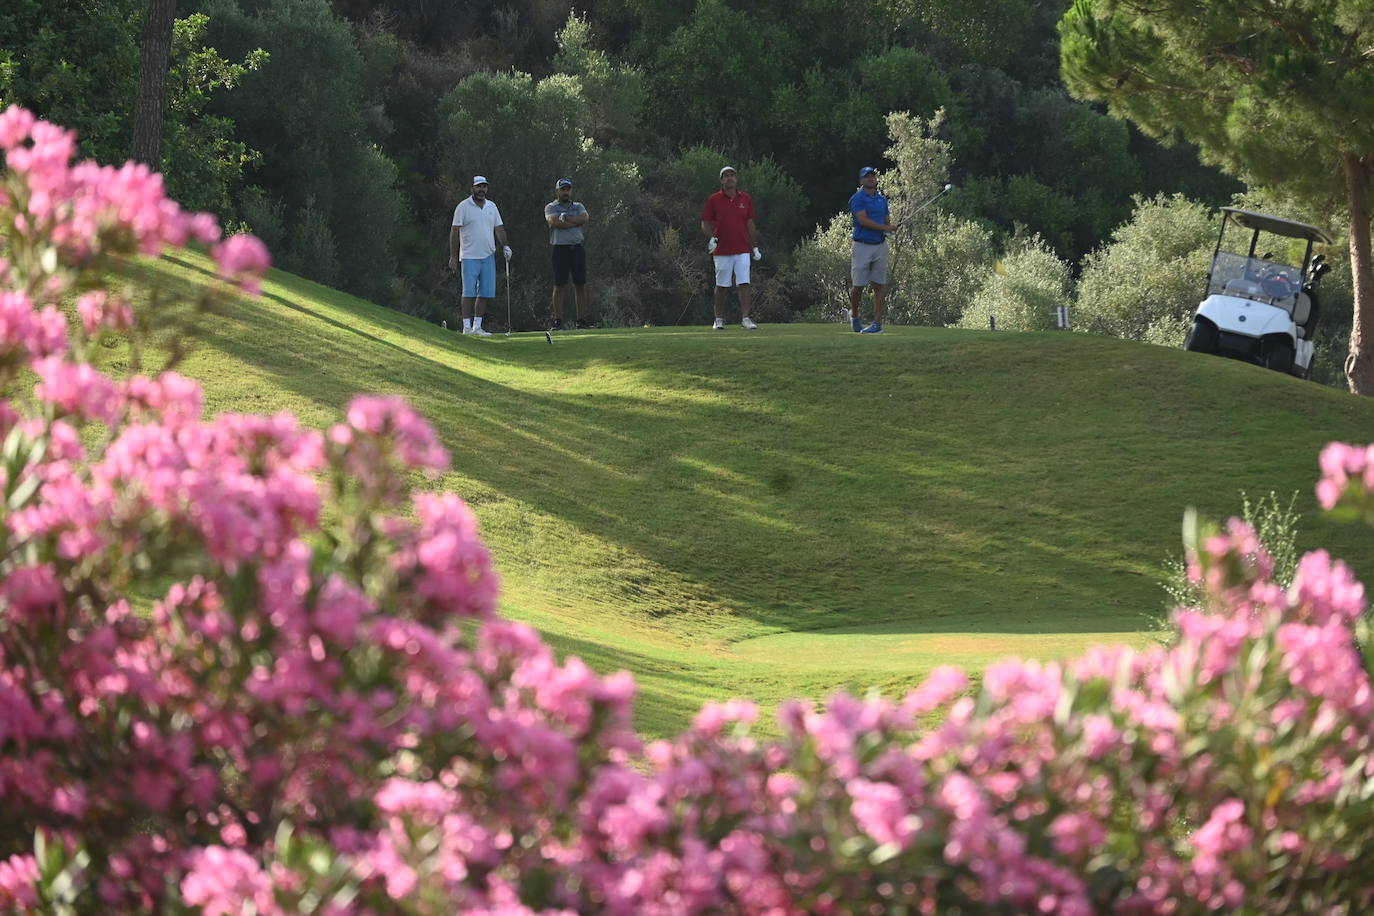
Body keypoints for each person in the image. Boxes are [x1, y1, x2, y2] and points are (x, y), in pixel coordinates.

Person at [447, 175, 511, 338]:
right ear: (472, 189)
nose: (481, 189)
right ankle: (466, 327)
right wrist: (453, 256)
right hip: (469, 256)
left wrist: (505, 246)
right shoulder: (463, 207)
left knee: (485, 293)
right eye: (478, 187)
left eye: (484, 187)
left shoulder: (491, 206)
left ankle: (477, 326)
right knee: (468, 292)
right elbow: (454, 232)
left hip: (488, 255)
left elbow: (499, 228)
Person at [700, 166, 761, 330]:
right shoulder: (714, 199)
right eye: (726, 176)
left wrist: (754, 247)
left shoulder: (745, 199)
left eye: (732, 175)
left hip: (742, 249)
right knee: (722, 286)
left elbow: (750, 223)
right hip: (722, 250)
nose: (729, 178)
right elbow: (705, 222)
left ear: (736, 179)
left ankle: (745, 319)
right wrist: (711, 238)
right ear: (721, 180)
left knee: (744, 283)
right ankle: (718, 319)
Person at [849, 166, 897, 334]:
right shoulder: (857, 199)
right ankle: (854, 315)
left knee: (879, 285)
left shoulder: (882, 200)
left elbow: (886, 218)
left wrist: (889, 227)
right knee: (858, 286)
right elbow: (863, 221)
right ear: (861, 181)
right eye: (866, 176)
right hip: (862, 245)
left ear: (876, 179)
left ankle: (877, 324)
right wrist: (884, 227)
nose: (870, 179)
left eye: (872, 176)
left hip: (880, 246)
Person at [544, 178, 592, 330]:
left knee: (580, 285)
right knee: (559, 285)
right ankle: (558, 321)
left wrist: (565, 219)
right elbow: (554, 222)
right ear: (557, 191)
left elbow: (585, 218)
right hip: (560, 249)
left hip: (577, 248)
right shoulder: (551, 207)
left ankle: (581, 321)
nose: (566, 192)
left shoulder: (578, 206)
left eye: (568, 189)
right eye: (563, 189)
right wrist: (574, 222)